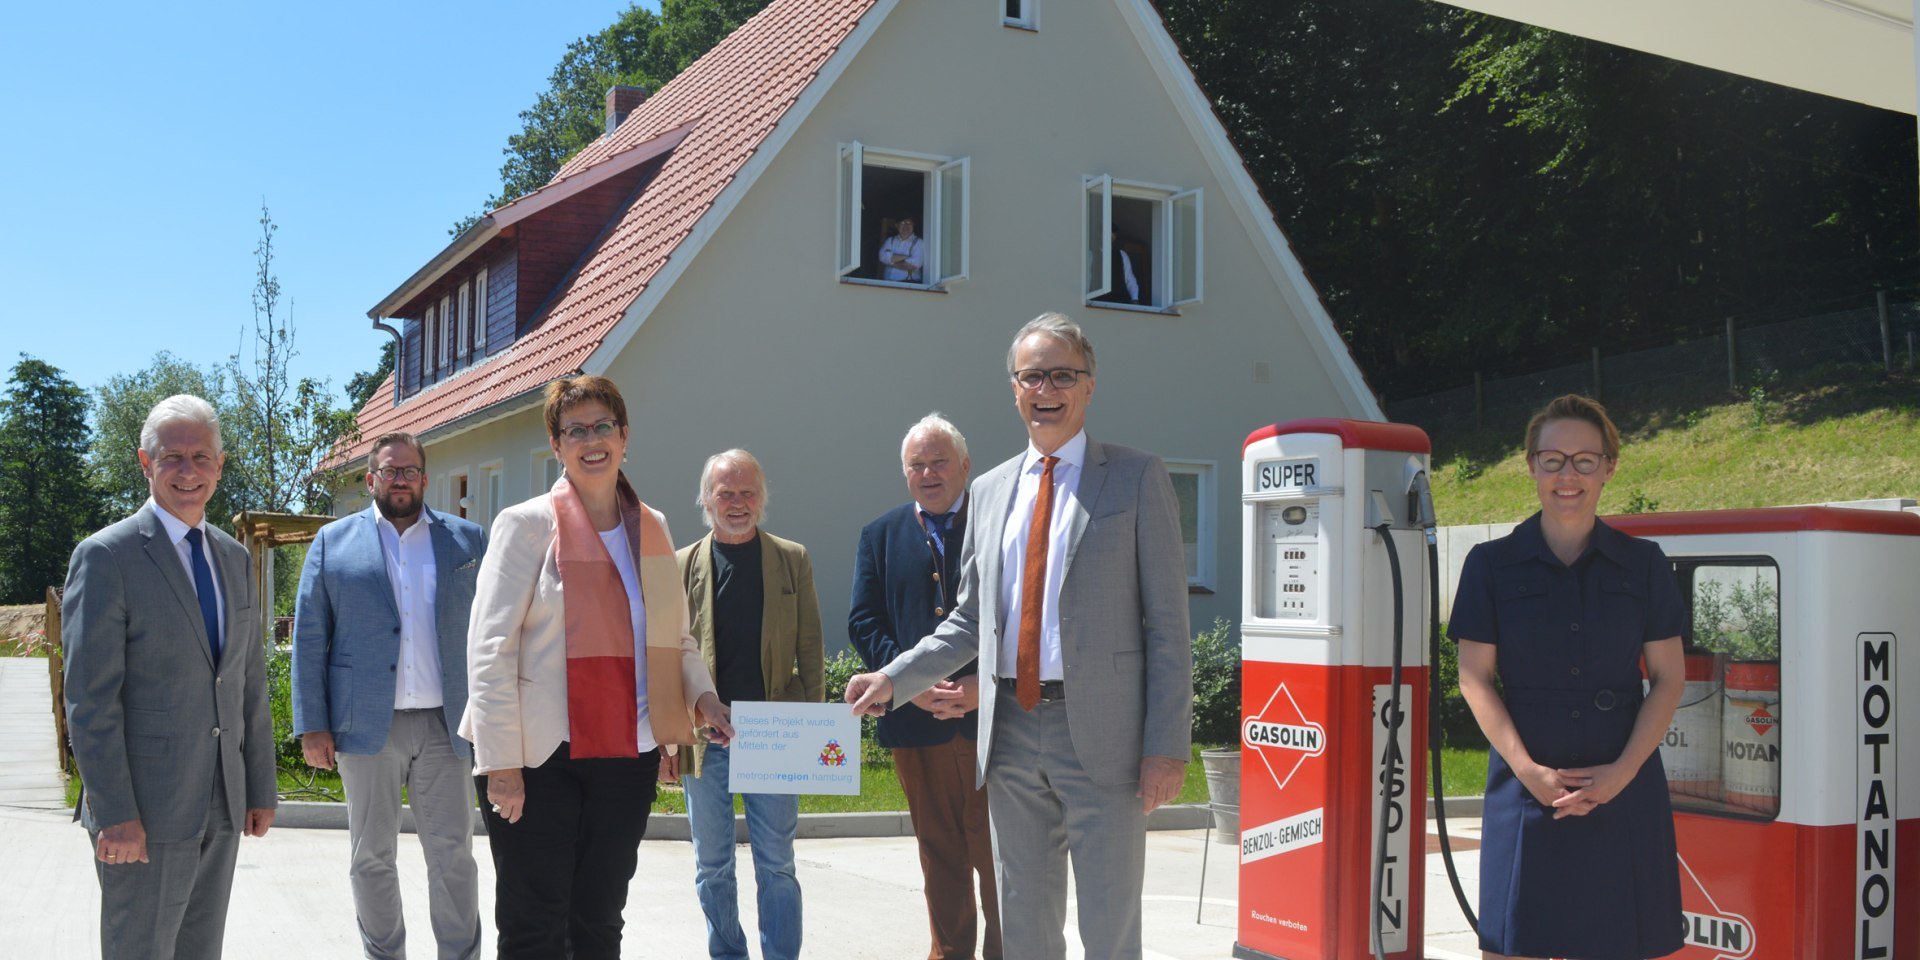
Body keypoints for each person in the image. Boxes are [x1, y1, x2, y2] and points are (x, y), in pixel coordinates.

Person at [847, 313, 1194, 960]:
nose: (1047, 388)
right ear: (1014, 389)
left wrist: (1166, 746)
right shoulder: (990, 489)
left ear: (1089, 386)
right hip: (1007, 731)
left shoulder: (1137, 477)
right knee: (1027, 925)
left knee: (1110, 928)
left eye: (1063, 374)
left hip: (1106, 739)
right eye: (1033, 375)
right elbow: (970, 619)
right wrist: (894, 678)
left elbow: (1168, 627)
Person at [461, 376, 734, 960]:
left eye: (602, 426)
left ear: (625, 437)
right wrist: (501, 763)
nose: (591, 440)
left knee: (599, 922)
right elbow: (489, 650)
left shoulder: (653, 527)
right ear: (556, 446)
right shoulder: (525, 524)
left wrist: (702, 699)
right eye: (575, 430)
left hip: (626, 755)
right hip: (538, 758)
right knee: (534, 922)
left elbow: (677, 640)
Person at [1450, 394, 1687, 960]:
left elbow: (1669, 678)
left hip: (1623, 789)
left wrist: (1620, 774)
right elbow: (1474, 678)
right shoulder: (1490, 564)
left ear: (1609, 467)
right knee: (1514, 947)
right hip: (1526, 785)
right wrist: (1529, 772)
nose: (1568, 475)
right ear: (1532, 466)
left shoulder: (1644, 563)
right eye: (1552, 459)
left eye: (1585, 460)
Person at [61, 394, 277, 960]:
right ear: (144, 462)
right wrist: (114, 814)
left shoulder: (233, 558)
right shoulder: (107, 556)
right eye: (172, 457)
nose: (188, 471)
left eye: (201, 457)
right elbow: (89, 701)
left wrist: (258, 786)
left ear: (220, 465)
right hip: (144, 812)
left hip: (223, 802)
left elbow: (247, 681)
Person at [291, 431, 487, 960]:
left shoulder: (468, 541)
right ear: (371, 478)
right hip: (364, 725)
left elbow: (494, 632)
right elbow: (310, 638)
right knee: (371, 856)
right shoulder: (333, 543)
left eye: (409, 470)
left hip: (449, 725)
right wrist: (313, 723)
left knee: (453, 855)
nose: (399, 479)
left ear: (425, 478)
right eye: (388, 470)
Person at [848, 413, 1001, 960]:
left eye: (940, 461)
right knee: (940, 852)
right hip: (916, 726)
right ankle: (950, 952)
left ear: (965, 465)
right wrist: (908, 685)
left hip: (993, 722)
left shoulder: (998, 524)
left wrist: (986, 685)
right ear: (905, 473)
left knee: (998, 853)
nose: (929, 472)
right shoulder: (880, 534)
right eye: (917, 464)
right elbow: (863, 622)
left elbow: (1019, 617)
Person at [671, 448, 824, 960]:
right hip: (704, 736)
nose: (737, 503)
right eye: (725, 493)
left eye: (747, 492)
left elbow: (811, 653)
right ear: (706, 500)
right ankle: (728, 954)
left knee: (776, 862)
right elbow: (669, 658)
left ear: (762, 498)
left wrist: (810, 736)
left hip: (774, 733)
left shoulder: (792, 560)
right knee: (711, 864)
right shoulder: (682, 564)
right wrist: (674, 734)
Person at [879, 216, 925, 283]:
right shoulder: (890, 240)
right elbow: (882, 257)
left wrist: (890, 262)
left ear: (913, 225)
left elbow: (914, 265)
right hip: (887, 282)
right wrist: (906, 257)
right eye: (902, 223)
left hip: (909, 283)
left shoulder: (919, 242)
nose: (906, 225)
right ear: (897, 226)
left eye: (909, 222)